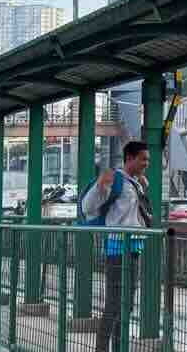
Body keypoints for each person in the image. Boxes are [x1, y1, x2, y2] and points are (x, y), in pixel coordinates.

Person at [83, 141, 152, 352]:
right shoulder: (115, 179)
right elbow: (88, 206)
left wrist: (141, 185)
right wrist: (100, 185)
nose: (146, 163)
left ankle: (119, 347)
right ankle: (102, 349)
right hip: (117, 247)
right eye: (143, 159)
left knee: (127, 305)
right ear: (129, 158)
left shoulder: (136, 182)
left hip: (133, 247)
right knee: (114, 304)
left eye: (147, 159)